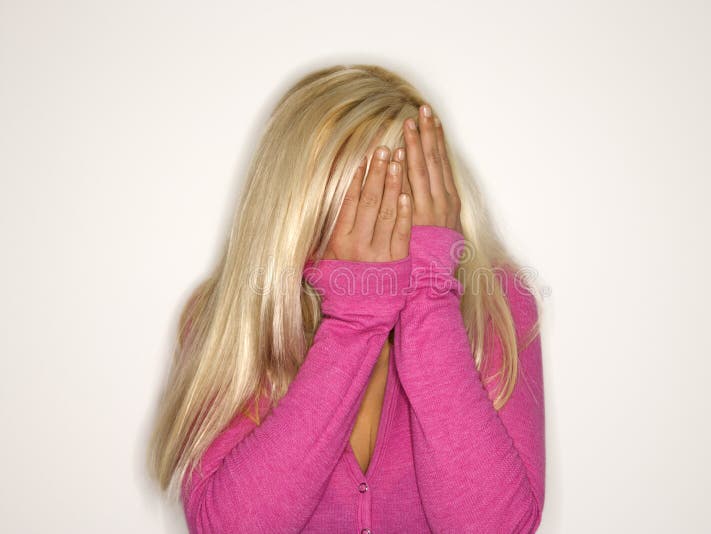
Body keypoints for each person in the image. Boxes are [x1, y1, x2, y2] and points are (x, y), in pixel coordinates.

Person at [146, 64, 545, 533]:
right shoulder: (233, 322)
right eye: (362, 201)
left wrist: (430, 295)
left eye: (401, 197)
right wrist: (355, 321)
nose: (381, 224)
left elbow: (497, 528)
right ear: (300, 211)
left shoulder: (495, 306)